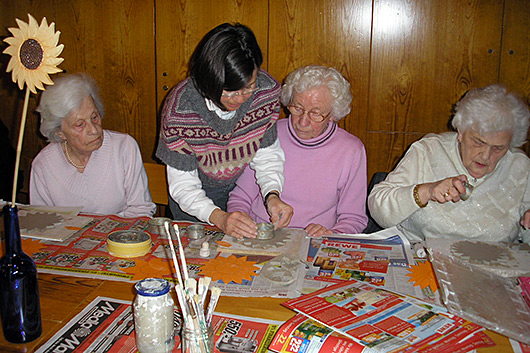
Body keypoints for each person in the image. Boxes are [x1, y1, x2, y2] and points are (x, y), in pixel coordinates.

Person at [156, 23, 293, 239]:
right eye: (230, 92)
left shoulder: (265, 93)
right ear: (208, 79)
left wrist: (272, 194)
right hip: (192, 205)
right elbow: (183, 185)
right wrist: (219, 217)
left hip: (238, 194)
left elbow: (267, 154)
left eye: (249, 87)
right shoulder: (180, 109)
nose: (240, 99)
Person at [368, 84, 530, 243]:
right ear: (460, 132)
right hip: (423, 259)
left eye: (498, 148)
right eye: (478, 142)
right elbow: (379, 209)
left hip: (494, 265)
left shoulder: (520, 166)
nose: (486, 156)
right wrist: (427, 191)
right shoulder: (428, 150)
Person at [228, 65, 368, 237]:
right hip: (261, 235)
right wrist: (240, 220)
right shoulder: (268, 134)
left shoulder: (351, 150)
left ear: (333, 114)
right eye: (297, 108)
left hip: (313, 241)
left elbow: (353, 218)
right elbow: (241, 197)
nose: (302, 122)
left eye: (316, 113)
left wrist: (331, 233)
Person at [30, 73, 156, 218]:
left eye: (94, 117)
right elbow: (42, 222)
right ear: (59, 132)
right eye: (80, 125)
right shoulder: (44, 164)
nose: (94, 130)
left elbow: (141, 210)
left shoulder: (123, 147)